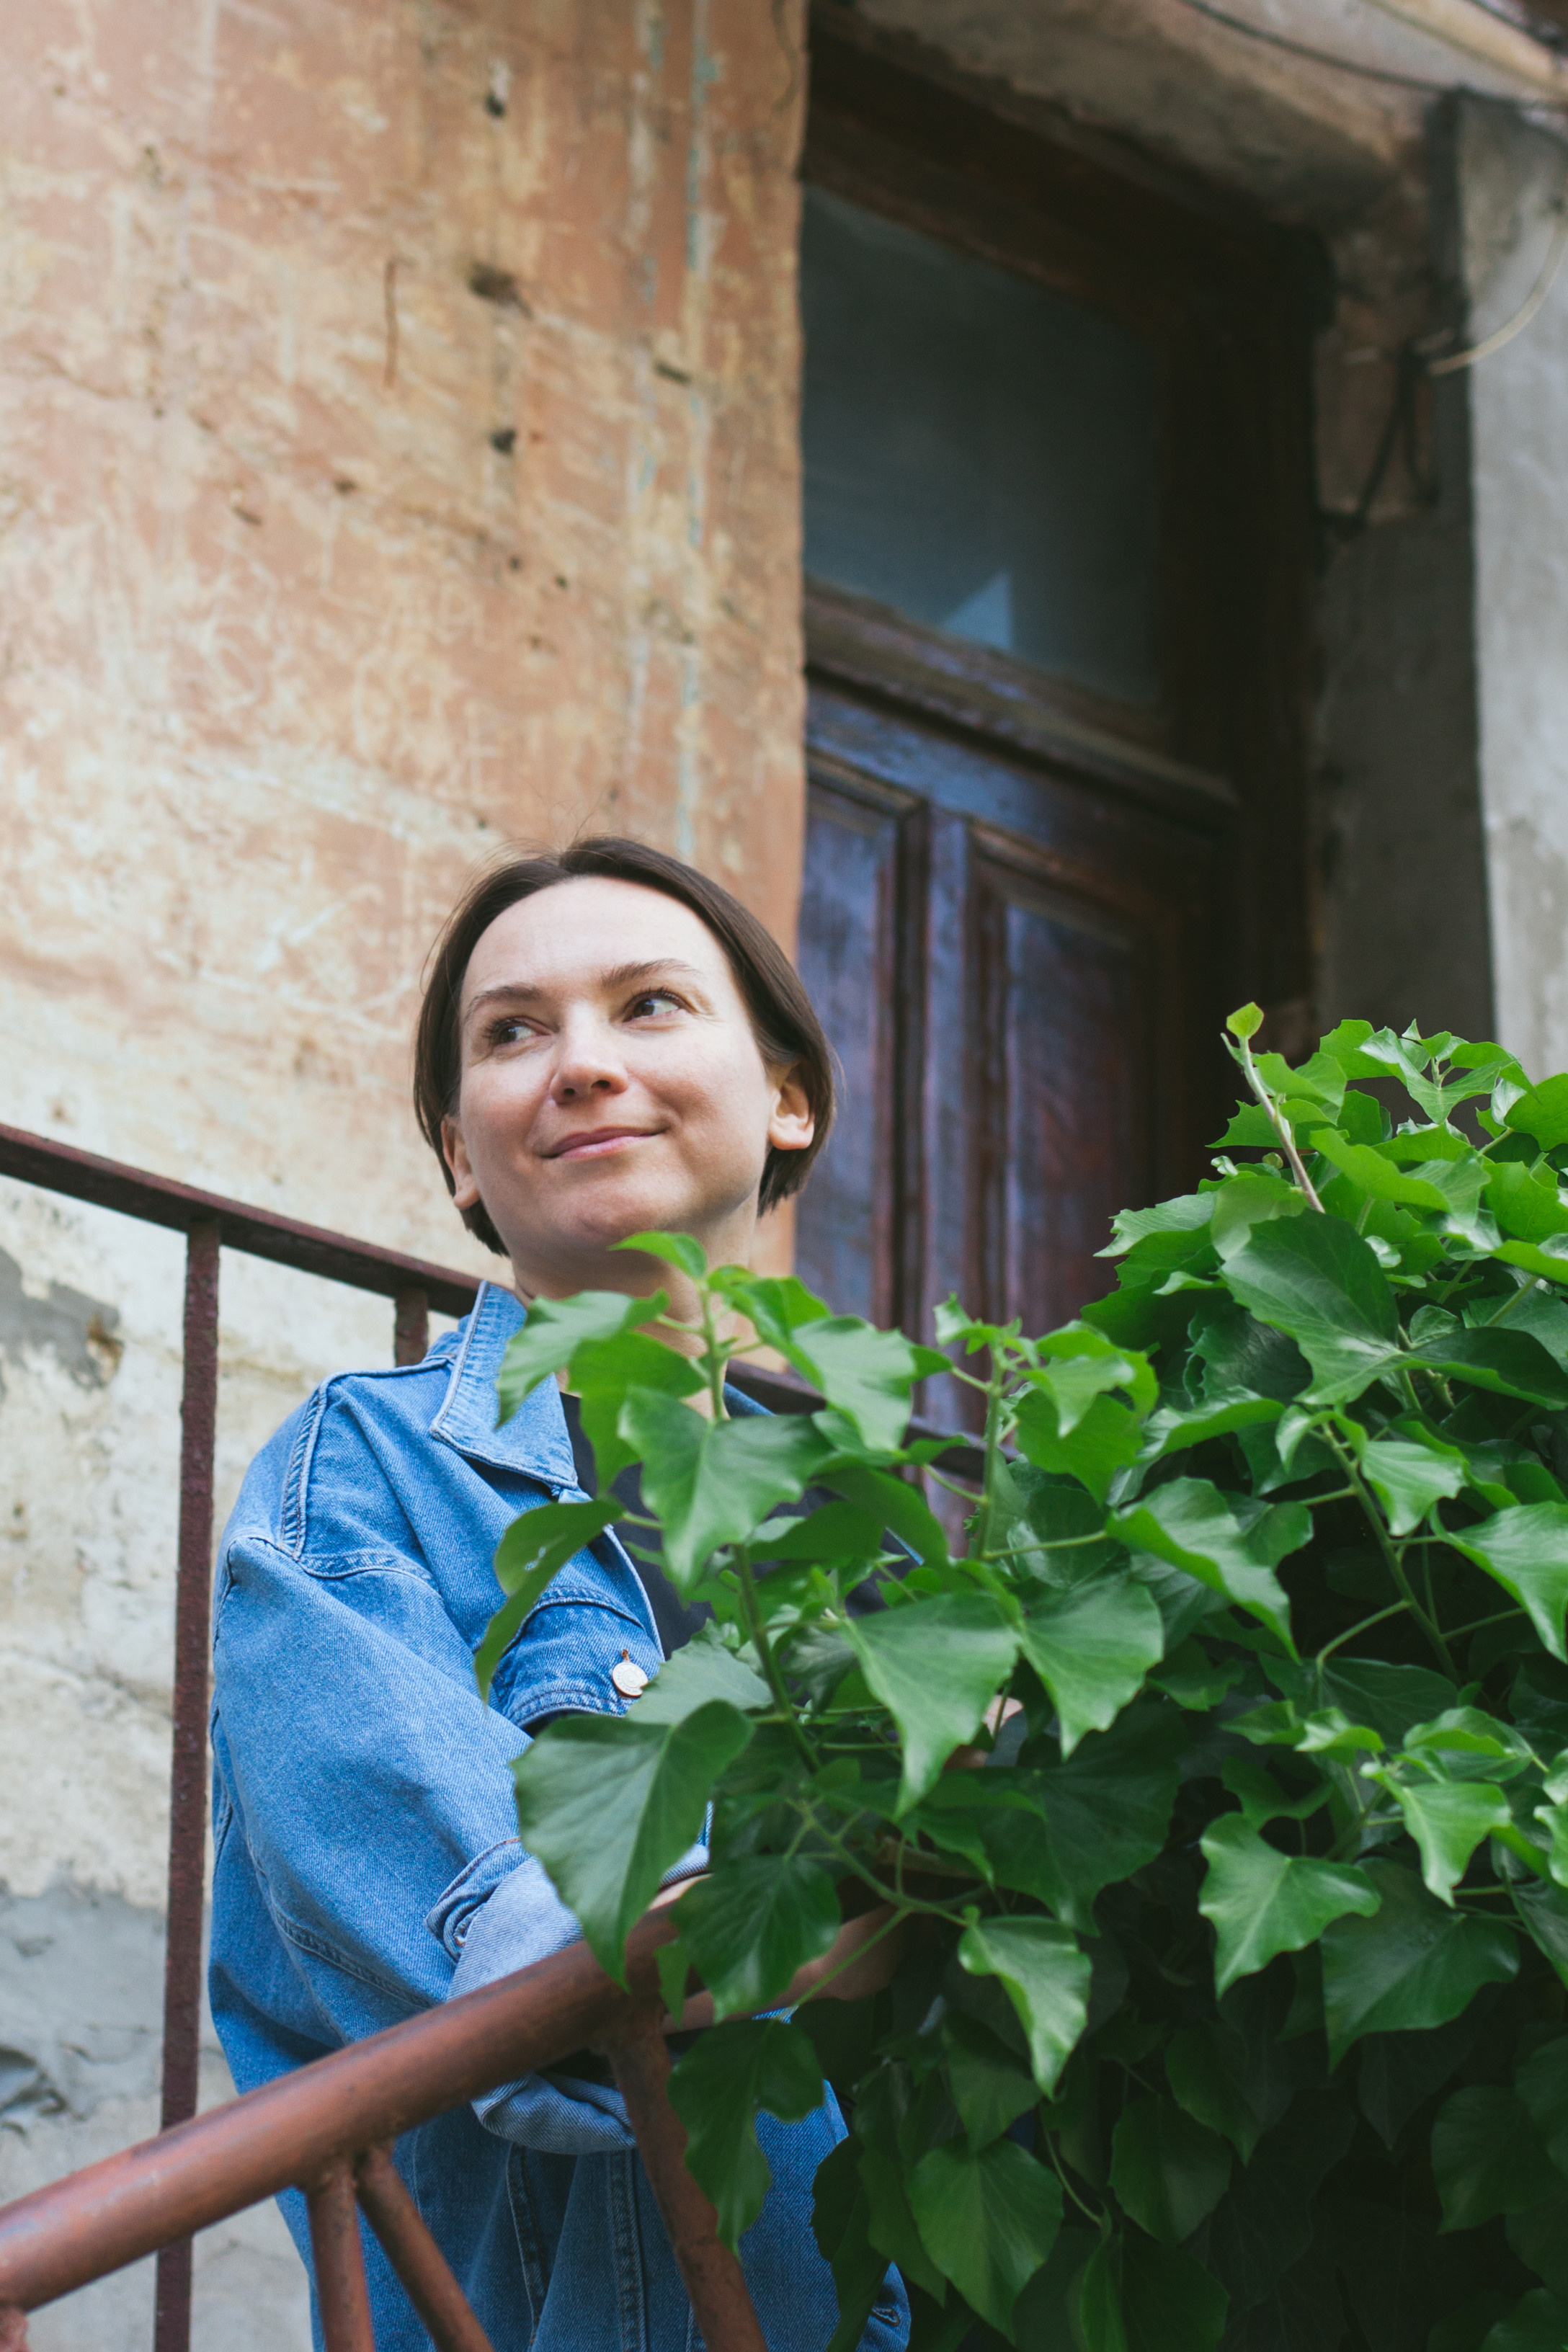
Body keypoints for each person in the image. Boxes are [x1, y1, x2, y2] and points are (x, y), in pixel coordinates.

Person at [208, 839, 910, 2352]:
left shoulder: (883, 1529)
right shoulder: (363, 1479)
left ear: (786, 1096)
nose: (581, 1065)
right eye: (512, 1033)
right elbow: (520, 1960)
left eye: (648, 1006)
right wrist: (873, 1910)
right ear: (463, 1154)